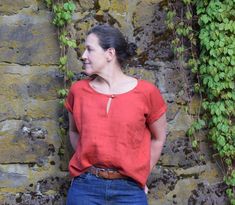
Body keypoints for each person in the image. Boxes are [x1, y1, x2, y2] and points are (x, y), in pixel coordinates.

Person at [65, 24, 167, 205]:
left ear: (109, 54)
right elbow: (74, 131)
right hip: (85, 188)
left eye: (89, 49)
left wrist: (142, 174)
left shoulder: (147, 93)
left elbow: (158, 138)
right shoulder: (78, 91)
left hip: (129, 190)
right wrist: (84, 164)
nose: (83, 56)